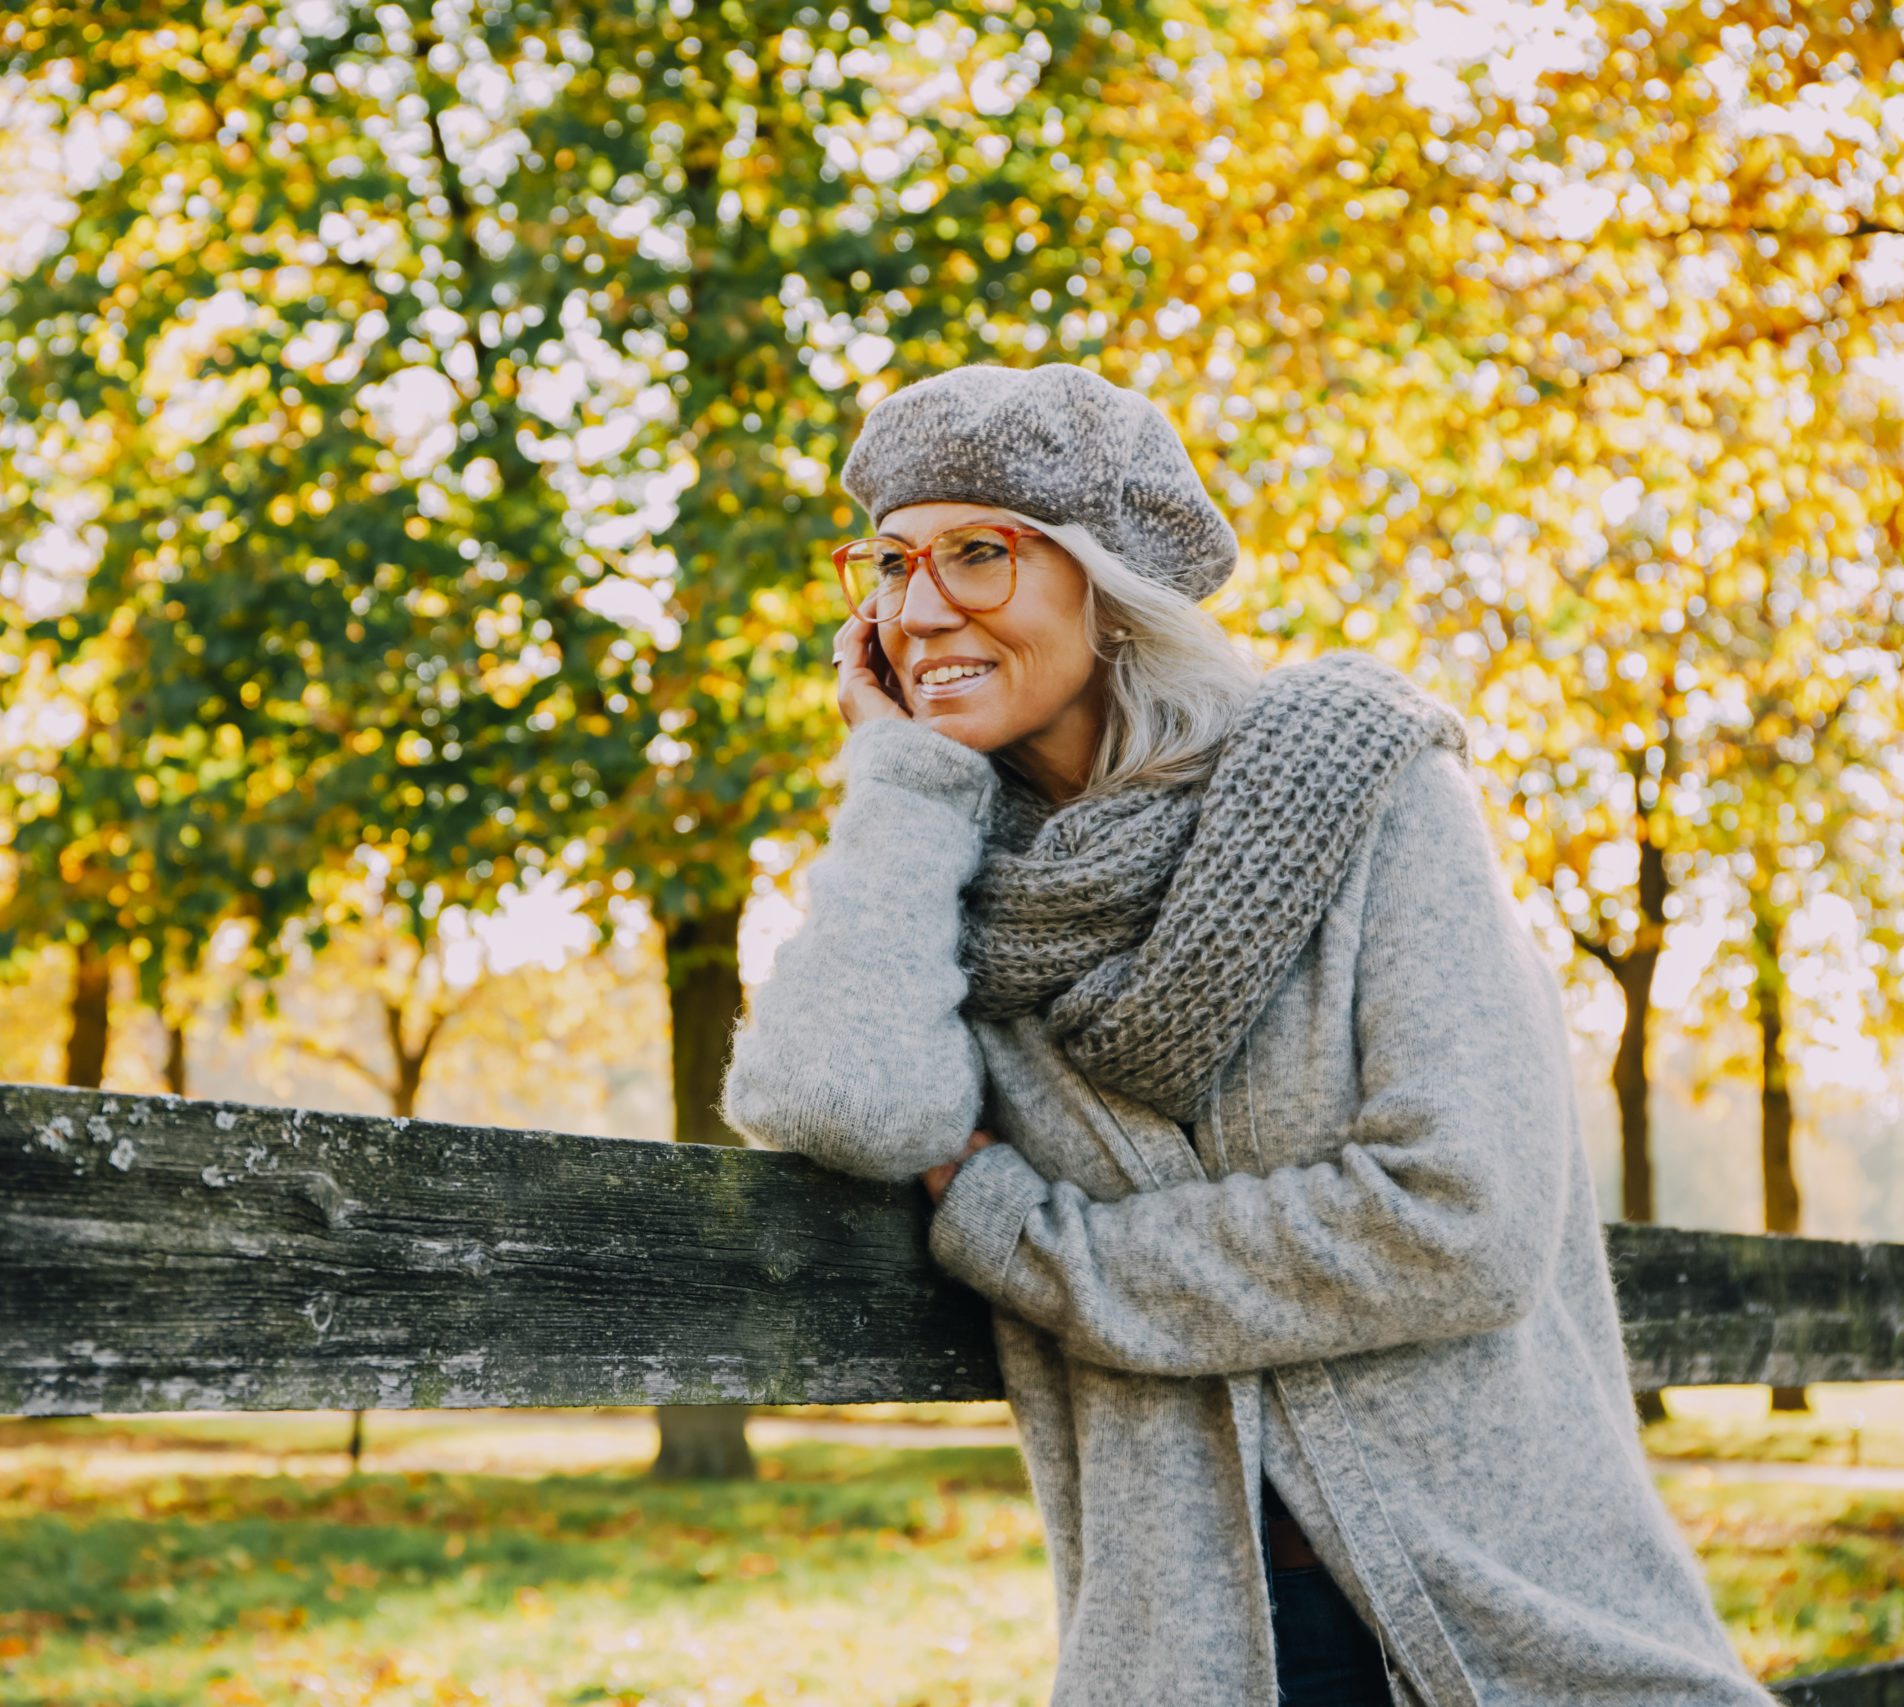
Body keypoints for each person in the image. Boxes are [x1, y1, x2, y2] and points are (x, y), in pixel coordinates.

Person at [721, 363, 1769, 1706]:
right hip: (1192, 1654)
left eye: (979, 554)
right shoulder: (939, 894)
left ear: (1109, 582)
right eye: (890, 564)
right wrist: (902, 777)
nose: (921, 611)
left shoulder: (1369, 789)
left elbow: (1462, 1220)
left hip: (1515, 1625)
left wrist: (1043, 1248)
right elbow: (835, 1098)